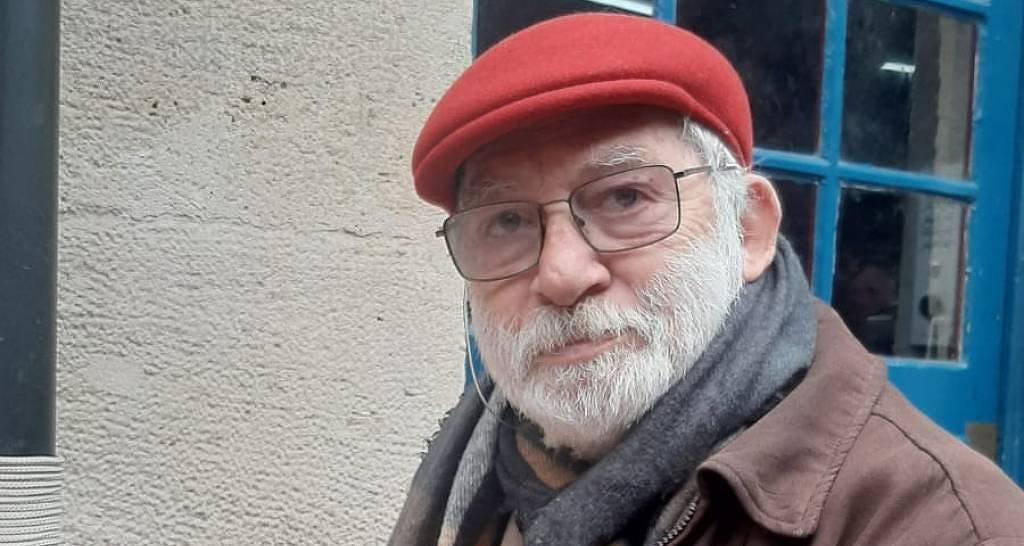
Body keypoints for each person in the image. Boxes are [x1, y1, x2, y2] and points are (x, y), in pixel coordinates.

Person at [389, 13, 1024, 546]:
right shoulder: (478, 472)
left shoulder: (946, 525)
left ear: (747, 230)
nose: (561, 274)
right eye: (505, 221)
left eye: (625, 198)